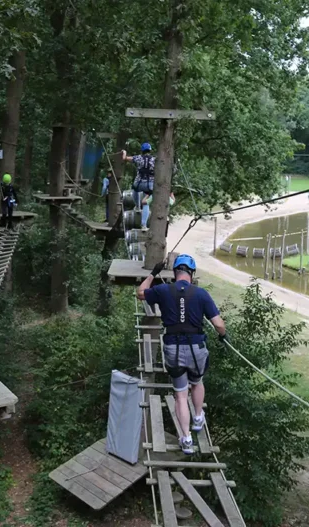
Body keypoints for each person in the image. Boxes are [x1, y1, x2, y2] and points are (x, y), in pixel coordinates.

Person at [136, 254, 227, 455]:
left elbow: (141, 293)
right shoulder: (201, 294)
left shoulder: (162, 290)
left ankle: (186, 438)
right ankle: (197, 417)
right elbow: (218, 324)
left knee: (180, 395)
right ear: (191, 274)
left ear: (175, 273)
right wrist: (223, 335)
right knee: (197, 381)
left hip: (173, 348)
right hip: (196, 348)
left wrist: (153, 274)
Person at [122, 143, 155, 228]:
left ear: (142, 150)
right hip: (150, 185)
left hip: (139, 183)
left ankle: (137, 206)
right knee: (146, 204)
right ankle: (143, 225)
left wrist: (124, 152)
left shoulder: (139, 158)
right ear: (150, 150)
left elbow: (124, 158)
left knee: (134, 190)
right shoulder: (154, 159)